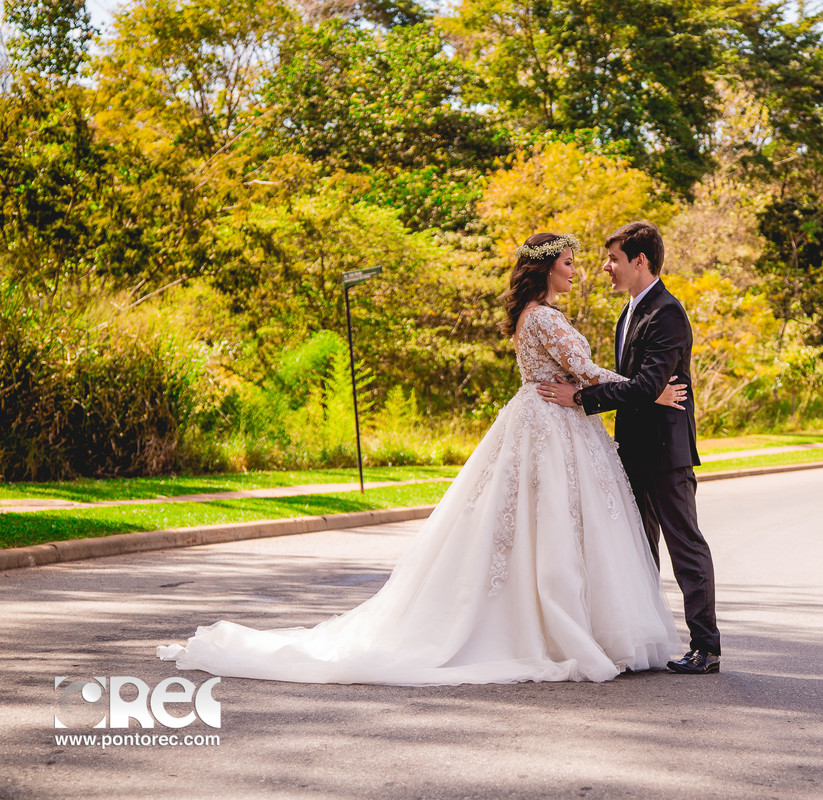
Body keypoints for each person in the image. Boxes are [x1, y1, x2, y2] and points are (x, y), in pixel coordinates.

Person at [157, 232, 686, 686]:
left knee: (538, 528)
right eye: (568, 263)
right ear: (546, 267)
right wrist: (651, 391)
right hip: (551, 425)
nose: (578, 271)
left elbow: (578, 372)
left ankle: (560, 620)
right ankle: (555, 626)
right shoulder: (544, 318)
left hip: (547, 421)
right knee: (550, 527)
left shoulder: (535, 314)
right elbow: (585, 370)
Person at [538, 221, 720, 675]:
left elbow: (646, 388)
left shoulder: (668, 313)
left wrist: (580, 400)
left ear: (640, 261)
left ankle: (707, 646)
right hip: (629, 452)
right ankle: (646, 637)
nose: (606, 267)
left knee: (686, 547)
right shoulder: (628, 313)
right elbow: (633, 384)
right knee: (637, 550)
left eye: (614, 259)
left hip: (666, 452)